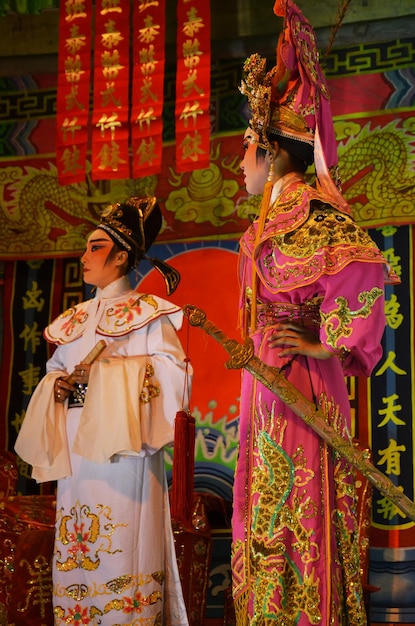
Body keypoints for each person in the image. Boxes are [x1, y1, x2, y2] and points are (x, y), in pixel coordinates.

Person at [232, 1, 399, 624]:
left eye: (248, 147)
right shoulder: (264, 230)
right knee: (264, 511)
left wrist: (326, 343)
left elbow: (363, 271)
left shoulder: (318, 221)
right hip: (263, 392)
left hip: (301, 389)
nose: (239, 162)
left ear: (275, 154)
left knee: (303, 507)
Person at [15, 196, 191, 625]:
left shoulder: (150, 315)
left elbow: (176, 378)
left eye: (95, 246)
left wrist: (107, 377)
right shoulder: (72, 320)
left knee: (124, 549)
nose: (84, 256)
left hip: (125, 452)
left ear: (122, 255)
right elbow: (53, 374)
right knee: (78, 547)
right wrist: (59, 384)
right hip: (78, 453)